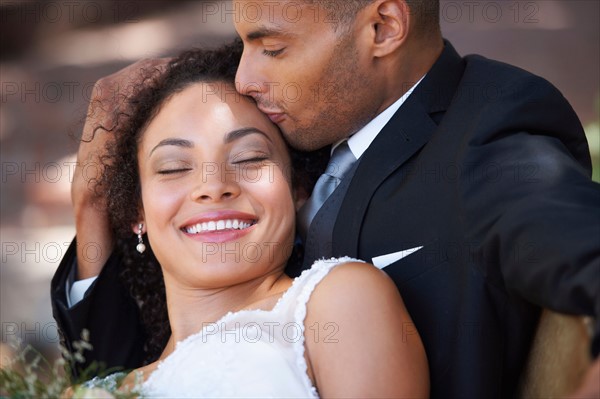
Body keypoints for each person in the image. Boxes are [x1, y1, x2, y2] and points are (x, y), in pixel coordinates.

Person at [52, 1, 600, 397]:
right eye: (244, 45)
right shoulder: (300, 135)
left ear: (383, 27)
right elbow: (151, 355)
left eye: (272, 48)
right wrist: (94, 207)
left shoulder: (486, 134)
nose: (244, 78)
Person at [67, 44, 428, 397]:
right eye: (174, 167)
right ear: (137, 212)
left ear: (297, 187)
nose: (213, 187)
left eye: (249, 158)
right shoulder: (93, 392)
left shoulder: (338, 301)